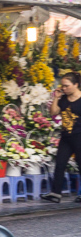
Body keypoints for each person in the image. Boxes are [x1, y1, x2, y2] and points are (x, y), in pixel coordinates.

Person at [42, 72, 81, 203]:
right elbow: (53, 113)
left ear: (76, 85)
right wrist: (56, 98)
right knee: (60, 163)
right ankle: (55, 193)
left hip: (79, 136)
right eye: (62, 86)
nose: (64, 88)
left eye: (66, 86)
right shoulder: (63, 99)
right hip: (66, 137)